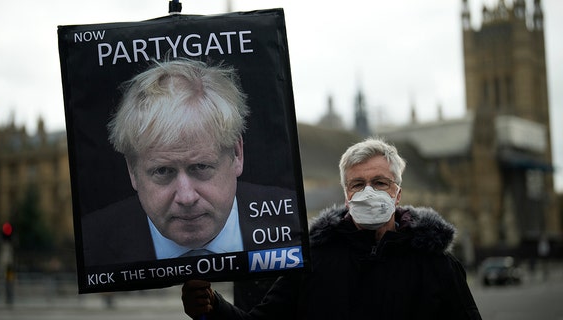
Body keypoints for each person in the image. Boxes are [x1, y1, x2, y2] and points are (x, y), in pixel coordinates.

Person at [182, 137, 482, 319]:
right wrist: (211, 308)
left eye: (379, 183)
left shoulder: (436, 266)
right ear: (346, 195)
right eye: (357, 184)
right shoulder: (312, 261)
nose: (368, 192)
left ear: (397, 193)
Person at [82, 58, 300, 265]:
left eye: (200, 167)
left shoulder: (294, 225)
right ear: (132, 170)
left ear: (237, 153)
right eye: (163, 171)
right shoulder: (92, 245)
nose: (186, 198)